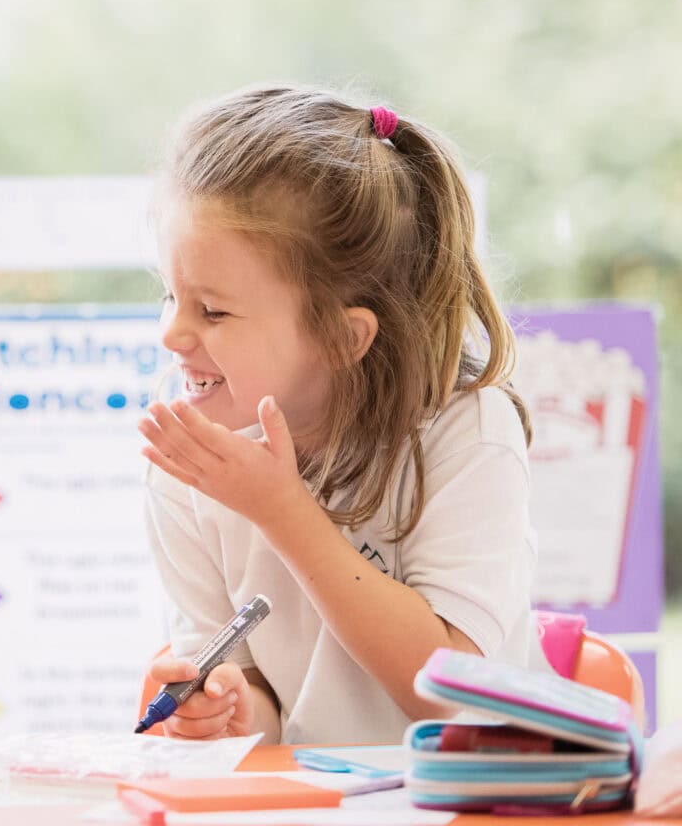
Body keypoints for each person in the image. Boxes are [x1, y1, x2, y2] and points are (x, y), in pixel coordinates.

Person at [138, 86, 547, 745]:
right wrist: (228, 710)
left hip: (474, 800)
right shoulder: (193, 468)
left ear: (342, 338)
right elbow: (265, 704)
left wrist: (283, 510)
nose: (172, 334)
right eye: (169, 295)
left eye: (212, 310)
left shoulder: (468, 435)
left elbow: (447, 695)